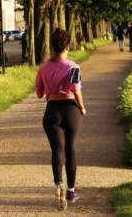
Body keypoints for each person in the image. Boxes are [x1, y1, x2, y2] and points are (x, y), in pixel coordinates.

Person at [36, 28, 86, 211]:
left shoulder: (43, 67)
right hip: (70, 110)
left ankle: (59, 185)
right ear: (66, 46)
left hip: (52, 111)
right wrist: (82, 107)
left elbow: (40, 93)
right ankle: (71, 192)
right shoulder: (73, 67)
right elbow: (75, 89)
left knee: (57, 150)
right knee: (70, 149)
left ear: (52, 46)